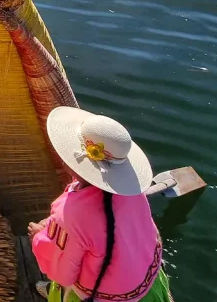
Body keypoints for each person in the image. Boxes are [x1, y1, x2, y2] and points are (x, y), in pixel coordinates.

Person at [29, 107, 173, 302]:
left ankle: (57, 293)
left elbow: (62, 273)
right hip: (146, 282)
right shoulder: (132, 191)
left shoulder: (71, 213)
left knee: (62, 283)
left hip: (99, 295)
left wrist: (39, 238)